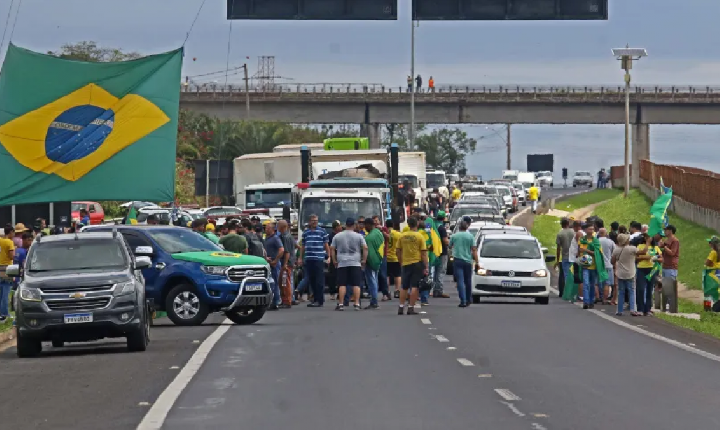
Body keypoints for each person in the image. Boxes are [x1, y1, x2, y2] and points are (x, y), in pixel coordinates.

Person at [331, 218, 367, 311]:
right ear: (354, 225)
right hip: (355, 262)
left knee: (342, 284)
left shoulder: (337, 236)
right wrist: (364, 259)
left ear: (345, 225)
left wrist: (334, 260)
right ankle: (357, 304)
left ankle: (341, 304)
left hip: (342, 262)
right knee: (356, 284)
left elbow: (332, 249)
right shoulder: (359, 236)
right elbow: (365, 248)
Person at [396, 216, 428, 315]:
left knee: (404, 286)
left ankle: (401, 307)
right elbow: (423, 253)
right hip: (417, 263)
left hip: (405, 263)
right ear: (417, 224)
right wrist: (426, 266)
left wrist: (401, 261)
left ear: (408, 225)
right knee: (414, 286)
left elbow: (398, 250)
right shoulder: (419, 236)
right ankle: (410, 307)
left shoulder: (402, 236)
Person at [300, 214, 331, 308]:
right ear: (309, 222)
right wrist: (300, 258)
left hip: (318, 258)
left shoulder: (322, 231)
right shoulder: (306, 232)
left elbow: (326, 245)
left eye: (316, 220)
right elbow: (303, 246)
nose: (314, 222)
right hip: (309, 258)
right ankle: (315, 299)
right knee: (311, 280)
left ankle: (320, 300)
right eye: (313, 220)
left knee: (319, 280)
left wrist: (328, 256)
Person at [577, 223, 608, 309]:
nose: (591, 231)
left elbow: (597, 253)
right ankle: (586, 301)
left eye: (592, 229)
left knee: (592, 284)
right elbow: (579, 250)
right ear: (586, 230)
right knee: (586, 283)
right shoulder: (582, 239)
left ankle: (591, 300)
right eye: (589, 229)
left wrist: (586, 250)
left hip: (593, 265)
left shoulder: (596, 241)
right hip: (585, 264)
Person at [612, 234, 642, 316]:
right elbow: (643, 252)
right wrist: (648, 242)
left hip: (620, 273)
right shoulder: (632, 248)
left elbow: (612, 261)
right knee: (632, 291)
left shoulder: (616, 250)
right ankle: (633, 309)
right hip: (630, 273)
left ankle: (619, 310)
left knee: (621, 292)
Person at [449, 220, 477, 307]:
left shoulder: (454, 236)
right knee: (468, 281)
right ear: (467, 227)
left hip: (457, 260)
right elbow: (474, 249)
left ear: (459, 227)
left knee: (460, 281)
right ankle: (469, 299)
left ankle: (463, 300)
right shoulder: (470, 236)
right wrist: (477, 261)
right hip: (468, 261)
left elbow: (450, 245)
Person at [636, 233, 662, 316]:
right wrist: (644, 257)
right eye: (646, 237)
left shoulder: (655, 247)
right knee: (641, 288)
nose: (648, 238)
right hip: (641, 269)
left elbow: (661, 258)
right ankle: (640, 308)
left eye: (649, 237)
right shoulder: (640, 246)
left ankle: (647, 309)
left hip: (652, 269)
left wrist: (656, 258)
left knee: (649, 289)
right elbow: (636, 257)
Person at [263, 222, 285, 311]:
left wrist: (275, 260)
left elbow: (281, 250)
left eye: (268, 228)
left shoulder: (275, 238)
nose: (266, 230)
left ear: (272, 229)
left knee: (275, 282)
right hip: (268, 262)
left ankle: (275, 302)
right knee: (271, 282)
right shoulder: (267, 238)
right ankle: (272, 301)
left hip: (274, 264)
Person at [277, 220, 297, 309]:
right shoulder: (288, 236)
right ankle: (285, 299)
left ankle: (287, 300)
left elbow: (287, 252)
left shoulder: (285, 237)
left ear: (282, 227)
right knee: (283, 282)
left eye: (278, 226)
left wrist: (285, 264)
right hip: (288, 262)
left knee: (286, 282)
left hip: (286, 263)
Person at [556, 218, 575, 300]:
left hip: (565, 257)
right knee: (574, 275)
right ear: (568, 223)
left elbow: (558, 248)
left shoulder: (560, 233)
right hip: (574, 257)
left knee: (566, 275)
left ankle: (567, 292)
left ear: (561, 224)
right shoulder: (574, 232)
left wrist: (557, 260)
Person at [433, 211, 450, 298]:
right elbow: (445, 241)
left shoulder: (433, 225)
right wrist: (450, 244)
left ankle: (434, 289)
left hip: (433, 251)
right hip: (442, 252)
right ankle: (439, 290)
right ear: (444, 218)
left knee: (435, 271)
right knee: (441, 271)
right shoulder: (442, 228)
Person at [0, 225, 16, 322]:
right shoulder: (9, 242)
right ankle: (5, 314)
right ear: (10, 232)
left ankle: (1, 313)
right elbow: (11, 256)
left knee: (1, 292)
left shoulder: (0, 240)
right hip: (8, 268)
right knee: (6, 291)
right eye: (13, 233)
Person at [598, 228, 616, 305]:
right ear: (606, 233)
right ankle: (604, 299)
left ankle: (598, 297)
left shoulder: (596, 241)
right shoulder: (610, 242)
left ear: (599, 233)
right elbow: (614, 252)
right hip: (608, 264)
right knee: (607, 283)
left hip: (598, 265)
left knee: (597, 282)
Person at [386, 219, 403, 299]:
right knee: (397, 275)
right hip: (396, 257)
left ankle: (387, 291)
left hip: (387, 257)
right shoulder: (398, 234)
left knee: (387, 275)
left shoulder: (384, 233)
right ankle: (397, 290)